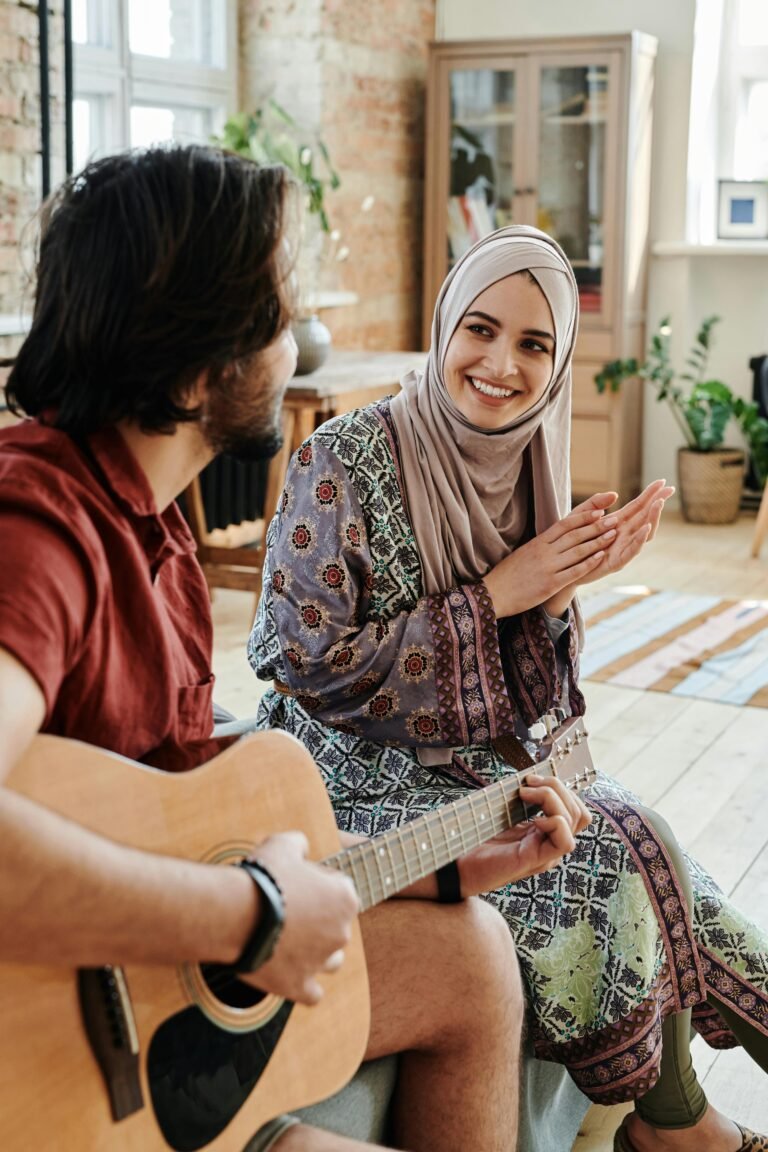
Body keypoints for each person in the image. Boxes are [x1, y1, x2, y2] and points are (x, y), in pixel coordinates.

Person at [0, 150, 588, 1152]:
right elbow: (233, 890)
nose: (296, 346)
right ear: (202, 364)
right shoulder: (38, 529)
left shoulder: (153, 531)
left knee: (472, 953)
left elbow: (180, 820)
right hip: (49, 1075)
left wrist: (450, 865)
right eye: (280, 317)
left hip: (152, 1007)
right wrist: (248, 919)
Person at [249, 224, 768, 1152]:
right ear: (446, 325)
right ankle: (683, 1133)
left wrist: (556, 595)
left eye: (535, 344)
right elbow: (304, 663)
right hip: (339, 781)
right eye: (480, 329)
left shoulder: (533, 464)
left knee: (649, 836)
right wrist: (499, 595)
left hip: (477, 769)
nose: (501, 364)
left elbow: (539, 708)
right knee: (613, 863)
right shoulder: (338, 462)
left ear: (561, 360)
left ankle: (681, 1132)